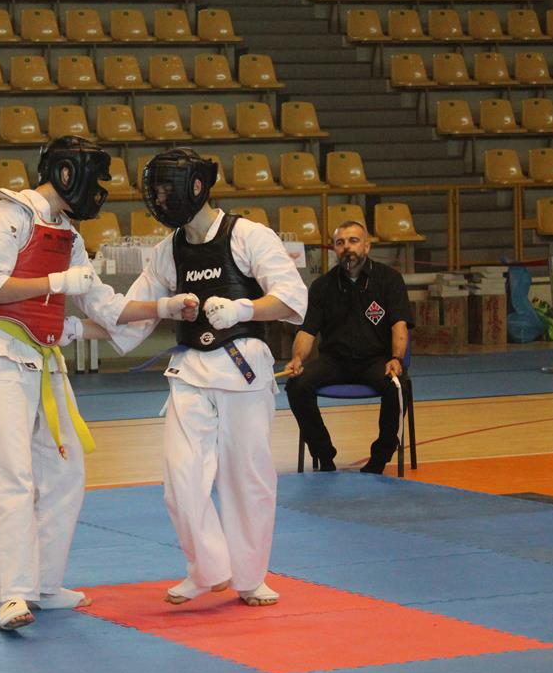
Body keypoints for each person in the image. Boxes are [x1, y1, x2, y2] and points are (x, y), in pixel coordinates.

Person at [0, 136, 197, 631]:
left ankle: (45, 583)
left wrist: (164, 307)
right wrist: (55, 284)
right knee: (12, 475)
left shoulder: (66, 235)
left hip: (44, 359)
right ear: (68, 174)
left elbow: (104, 306)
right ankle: (13, 595)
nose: (100, 191)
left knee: (66, 472)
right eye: (96, 179)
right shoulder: (4, 217)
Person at [107, 149, 309, 607]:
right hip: (189, 372)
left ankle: (250, 577)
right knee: (180, 477)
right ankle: (207, 569)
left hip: (244, 368)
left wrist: (243, 309)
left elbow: (292, 298)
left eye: (166, 190)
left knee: (247, 478)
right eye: (155, 192)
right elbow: (132, 316)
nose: (160, 200)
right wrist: (76, 320)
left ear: (196, 187)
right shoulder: (167, 251)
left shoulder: (249, 235)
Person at [283, 220, 412, 475]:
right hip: (334, 362)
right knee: (296, 385)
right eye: (340, 243)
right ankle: (324, 455)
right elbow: (307, 331)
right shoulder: (322, 286)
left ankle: (379, 459)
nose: (346, 247)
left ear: (367, 246)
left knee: (397, 387)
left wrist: (396, 358)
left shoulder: (389, 279)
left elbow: (399, 325)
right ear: (334, 249)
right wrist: (297, 358)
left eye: (353, 241)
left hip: (376, 360)